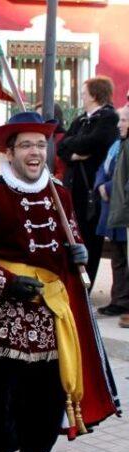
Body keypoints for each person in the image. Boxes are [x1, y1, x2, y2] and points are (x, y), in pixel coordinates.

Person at [0, 111, 120, 452]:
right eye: (26, 145)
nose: (34, 153)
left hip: (51, 317)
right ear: (8, 152)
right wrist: (6, 283)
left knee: (46, 397)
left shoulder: (59, 193)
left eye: (40, 145)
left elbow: (71, 237)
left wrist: (77, 251)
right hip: (0, 321)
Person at [57, 76, 119, 284]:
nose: (82, 97)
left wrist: (76, 146)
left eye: (84, 93)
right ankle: (73, 280)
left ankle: (86, 284)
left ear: (94, 95)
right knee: (72, 235)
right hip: (73, 188)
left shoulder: (109, 118)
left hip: (92, 192)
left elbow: (95, 142)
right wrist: (74, 154)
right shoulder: (82, 119)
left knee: (90, 240)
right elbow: (62, 146)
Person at [94, 106, 129, 316]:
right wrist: (100, 185)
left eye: (123, 120)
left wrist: (108, 188)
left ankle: (124, 302)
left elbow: (123, 178)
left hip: (123, 209)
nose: (119, 124)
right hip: (113, 209)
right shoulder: (118, 145)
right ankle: (119, 300)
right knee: (118, 257)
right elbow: (103, 168)